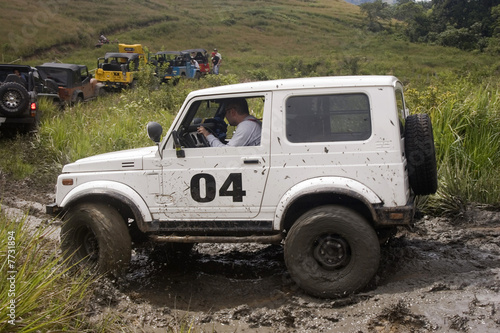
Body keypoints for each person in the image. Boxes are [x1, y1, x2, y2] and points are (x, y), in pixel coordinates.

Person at [197, 98, 261, 147]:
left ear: (232, 112)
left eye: (225, 112)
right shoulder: (254, 122)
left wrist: (207, 135)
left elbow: (226, 152)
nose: (225, 117)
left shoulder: (246, 126)